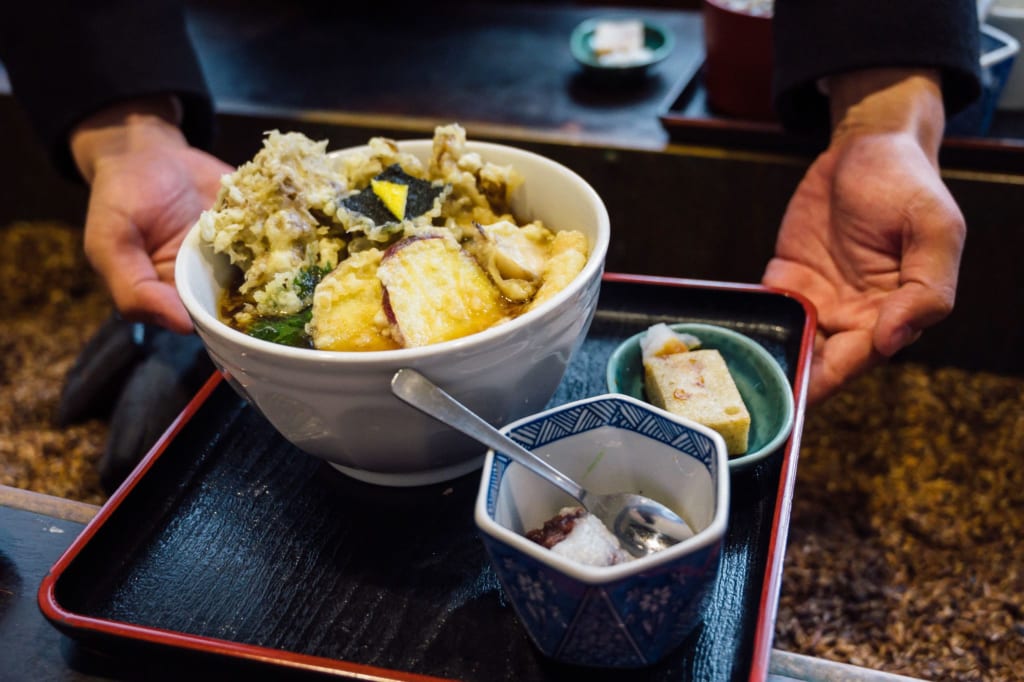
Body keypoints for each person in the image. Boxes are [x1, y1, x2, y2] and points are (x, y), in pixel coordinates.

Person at [0, 0, 980, 485]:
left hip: (548, 50)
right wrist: (124, 119)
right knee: (222, 311)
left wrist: (882, 114)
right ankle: (189, 354)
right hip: (251, 45)